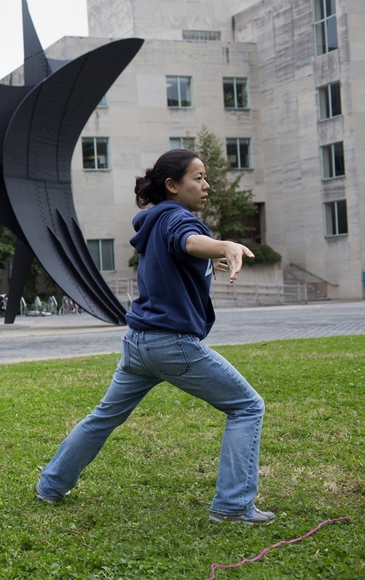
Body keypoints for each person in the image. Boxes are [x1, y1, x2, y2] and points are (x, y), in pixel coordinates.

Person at [35, 149, 275, 525]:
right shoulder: (177, 218)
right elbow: (188, 242)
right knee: (247, 407)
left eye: (205, 177)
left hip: (139, 345)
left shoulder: (156, 221)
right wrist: (223, 245)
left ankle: (50, 485)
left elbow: (181, 255)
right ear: (172, 185)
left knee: (104, 417)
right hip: (171, 345)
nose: (206, 184)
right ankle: (232, 506)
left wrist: (213, 257)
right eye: (198, 177)